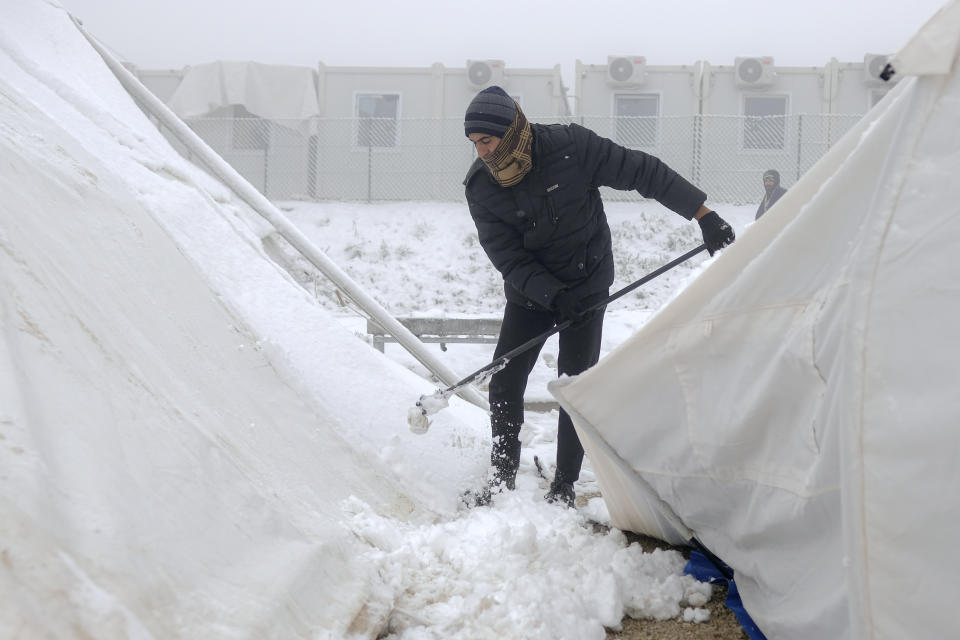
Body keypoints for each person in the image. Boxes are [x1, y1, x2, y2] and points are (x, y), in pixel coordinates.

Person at [462, 85, 734, 508]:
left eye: (487, 141)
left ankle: (565, 485)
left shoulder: (571, 147)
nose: (481, 153)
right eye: (474, 144)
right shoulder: (482, 187)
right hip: (530, 294)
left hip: (586, 283)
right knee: (506, 378)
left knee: (577, 383)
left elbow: (644, 172)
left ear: (511, 130)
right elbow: (508, 257)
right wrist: (552, 295)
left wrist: (703, 214)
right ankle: (501, 475)